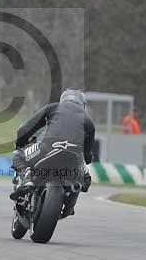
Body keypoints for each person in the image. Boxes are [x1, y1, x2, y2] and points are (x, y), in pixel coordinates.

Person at [11, 88, 95, 217]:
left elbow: (26, 128)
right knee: (84, 179)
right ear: (83, 104)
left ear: (63, 99)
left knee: (19, 156)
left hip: (48, 148)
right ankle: (72, 197)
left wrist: (20, 143)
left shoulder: (54, 107)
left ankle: (26, 179)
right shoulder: (88, 121)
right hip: (74, 158)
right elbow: (88, 155)